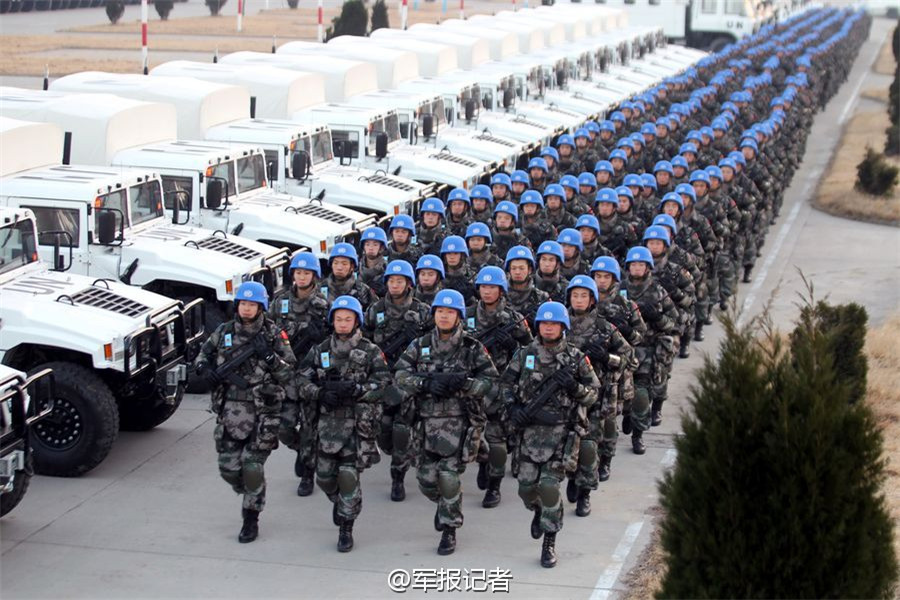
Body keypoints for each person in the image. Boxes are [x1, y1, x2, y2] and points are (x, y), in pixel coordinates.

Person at [394, 290, 499, 555]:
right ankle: (444, 506)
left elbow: (491, 382)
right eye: (440, 311)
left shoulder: (472, 347)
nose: (444, 316)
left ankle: (450, 530)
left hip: (460, 423)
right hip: (426, 423)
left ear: (459, 316)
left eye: (450, 312)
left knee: (449, 478)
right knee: (426, 480)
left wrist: (464, 385)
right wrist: (425, 383)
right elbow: (400, 375)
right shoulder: (419, 345)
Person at [195, 281, 295, 543]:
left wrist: (271, 358)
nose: (247, 309)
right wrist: (205, 370)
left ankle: (251, 518)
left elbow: (289, 372)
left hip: (264, 410)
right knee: (228, 467)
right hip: (230, 408)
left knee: (252, 466)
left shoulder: (273, 335)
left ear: (260, 306)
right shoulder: (224, 331)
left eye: (252, 304)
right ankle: (253, 490)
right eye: (243, 304)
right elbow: (202, 356)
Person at [501, 301, 599, 568]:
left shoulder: (576, 358)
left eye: (554, 323)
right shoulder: (524, 355)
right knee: (526, 489)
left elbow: (593, 394)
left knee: (548, 486)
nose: (548, 327)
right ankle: (539, 510)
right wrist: (514, 408)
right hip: (530, 434)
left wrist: (575, 387)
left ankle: (549, 541)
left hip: (561, 434)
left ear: (563, 327)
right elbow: (505, 384)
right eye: (544, 323)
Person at [296, 296, 391, 552]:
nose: (343, 323)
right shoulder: (320, 350)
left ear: (357, 321)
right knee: (325, 478)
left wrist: (359, 390)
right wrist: (319, 392)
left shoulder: (370, 351)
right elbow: (301, 380)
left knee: (348, 476)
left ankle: (346, 527)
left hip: (357, 425)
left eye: (348, 319)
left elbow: (384, 384)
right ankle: (341, 504)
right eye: (338, 319)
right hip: (325, 425)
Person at [466, 266, 533, 508]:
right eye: (483, 286)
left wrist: (515, 344)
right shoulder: (467, 315)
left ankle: (494, 486)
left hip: (502, 385)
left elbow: (532, 353)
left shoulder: (513, 319)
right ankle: (483, 460)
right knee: (468, 435)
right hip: (473, 384)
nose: (487, 291)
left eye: (492, 287)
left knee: (497, 439)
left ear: (501, 290)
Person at [563, 276, 632, 509]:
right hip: (565, 397)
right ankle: (572, 477)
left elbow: (628, 358)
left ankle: (585, 492)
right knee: (567, 441)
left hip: (595, 396)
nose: (579, 300)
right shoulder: (559, 325)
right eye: (575, 295)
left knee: (589, 445)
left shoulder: (605, 328)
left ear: (592, 299)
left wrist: (606, 357)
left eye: (584, 295)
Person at [269, 252, 330, 497]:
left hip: (310, 374)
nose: (302, 277)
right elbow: (269, 331)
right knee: (283, 426)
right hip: (285, 374)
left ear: (314, 275)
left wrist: (321, 337)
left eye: (306, 273)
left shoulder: (324, 304)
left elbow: (334, 341)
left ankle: (307, 473)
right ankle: (301, 451)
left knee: (308, 428)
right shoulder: (280, 301)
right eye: (298, 272)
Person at [622, 247, 678, 453]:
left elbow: (673, 321)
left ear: (647, 268)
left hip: (647, 350)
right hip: (623, 349)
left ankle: (638, 435)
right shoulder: (620, 290)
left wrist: (657, 317)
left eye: (641, 264)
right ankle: (628, 413)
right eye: (633, 264)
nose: (637, 268)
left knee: (642, 394)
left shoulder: (657, 291)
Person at [321, 243, 378, 310]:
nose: (339, 267)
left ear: (352, 267)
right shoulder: (321, 288)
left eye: (344, 264)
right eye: (335, 263)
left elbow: (375, 313)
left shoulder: (362, 291)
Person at [358, 227, 389, 297]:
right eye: (367, 244)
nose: (371, 248)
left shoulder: (387, 270)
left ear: (381, 248)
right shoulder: (355, 269)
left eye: (375, 245)